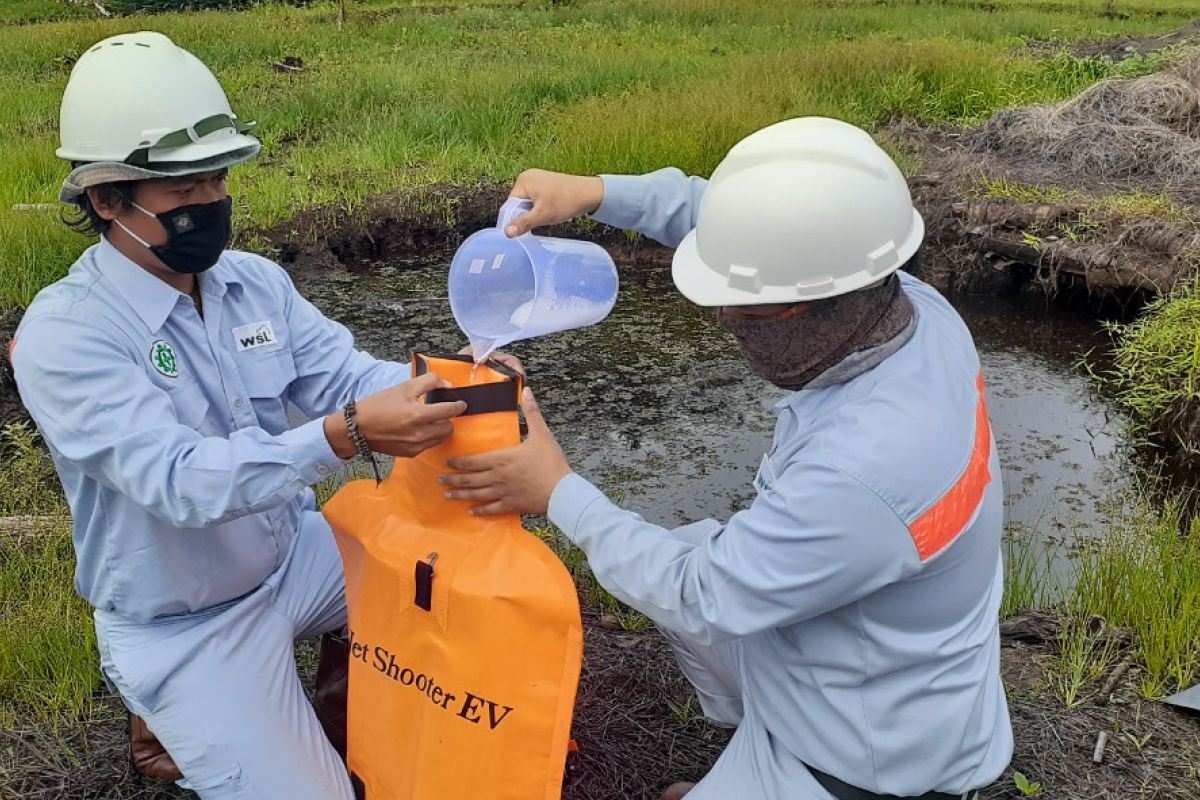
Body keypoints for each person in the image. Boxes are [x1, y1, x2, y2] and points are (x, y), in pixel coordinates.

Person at [441, 117, 1014, 800]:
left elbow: (703, 594)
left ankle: (776, 774)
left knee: (685, 576)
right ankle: (753, 746)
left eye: (742, 313)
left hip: (868, 756)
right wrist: (595, 193)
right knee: (681, 547)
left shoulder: (869, 468)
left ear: (806, 308)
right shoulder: (905, 301)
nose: (727, 323)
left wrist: (557, 489)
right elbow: (732, 226)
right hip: (874, 658)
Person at [11, 31, 518, 799]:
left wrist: (460, 383)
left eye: (216, 178)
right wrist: (345, 434)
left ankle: (350, 712)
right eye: (183, 190)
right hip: (184, 621)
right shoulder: (66, 334)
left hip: (291, 559)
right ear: (106, 199)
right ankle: (172, 713)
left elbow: (341, 374)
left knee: (456, 581)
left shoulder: (250, 282)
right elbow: (177, 483)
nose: (211, 202)